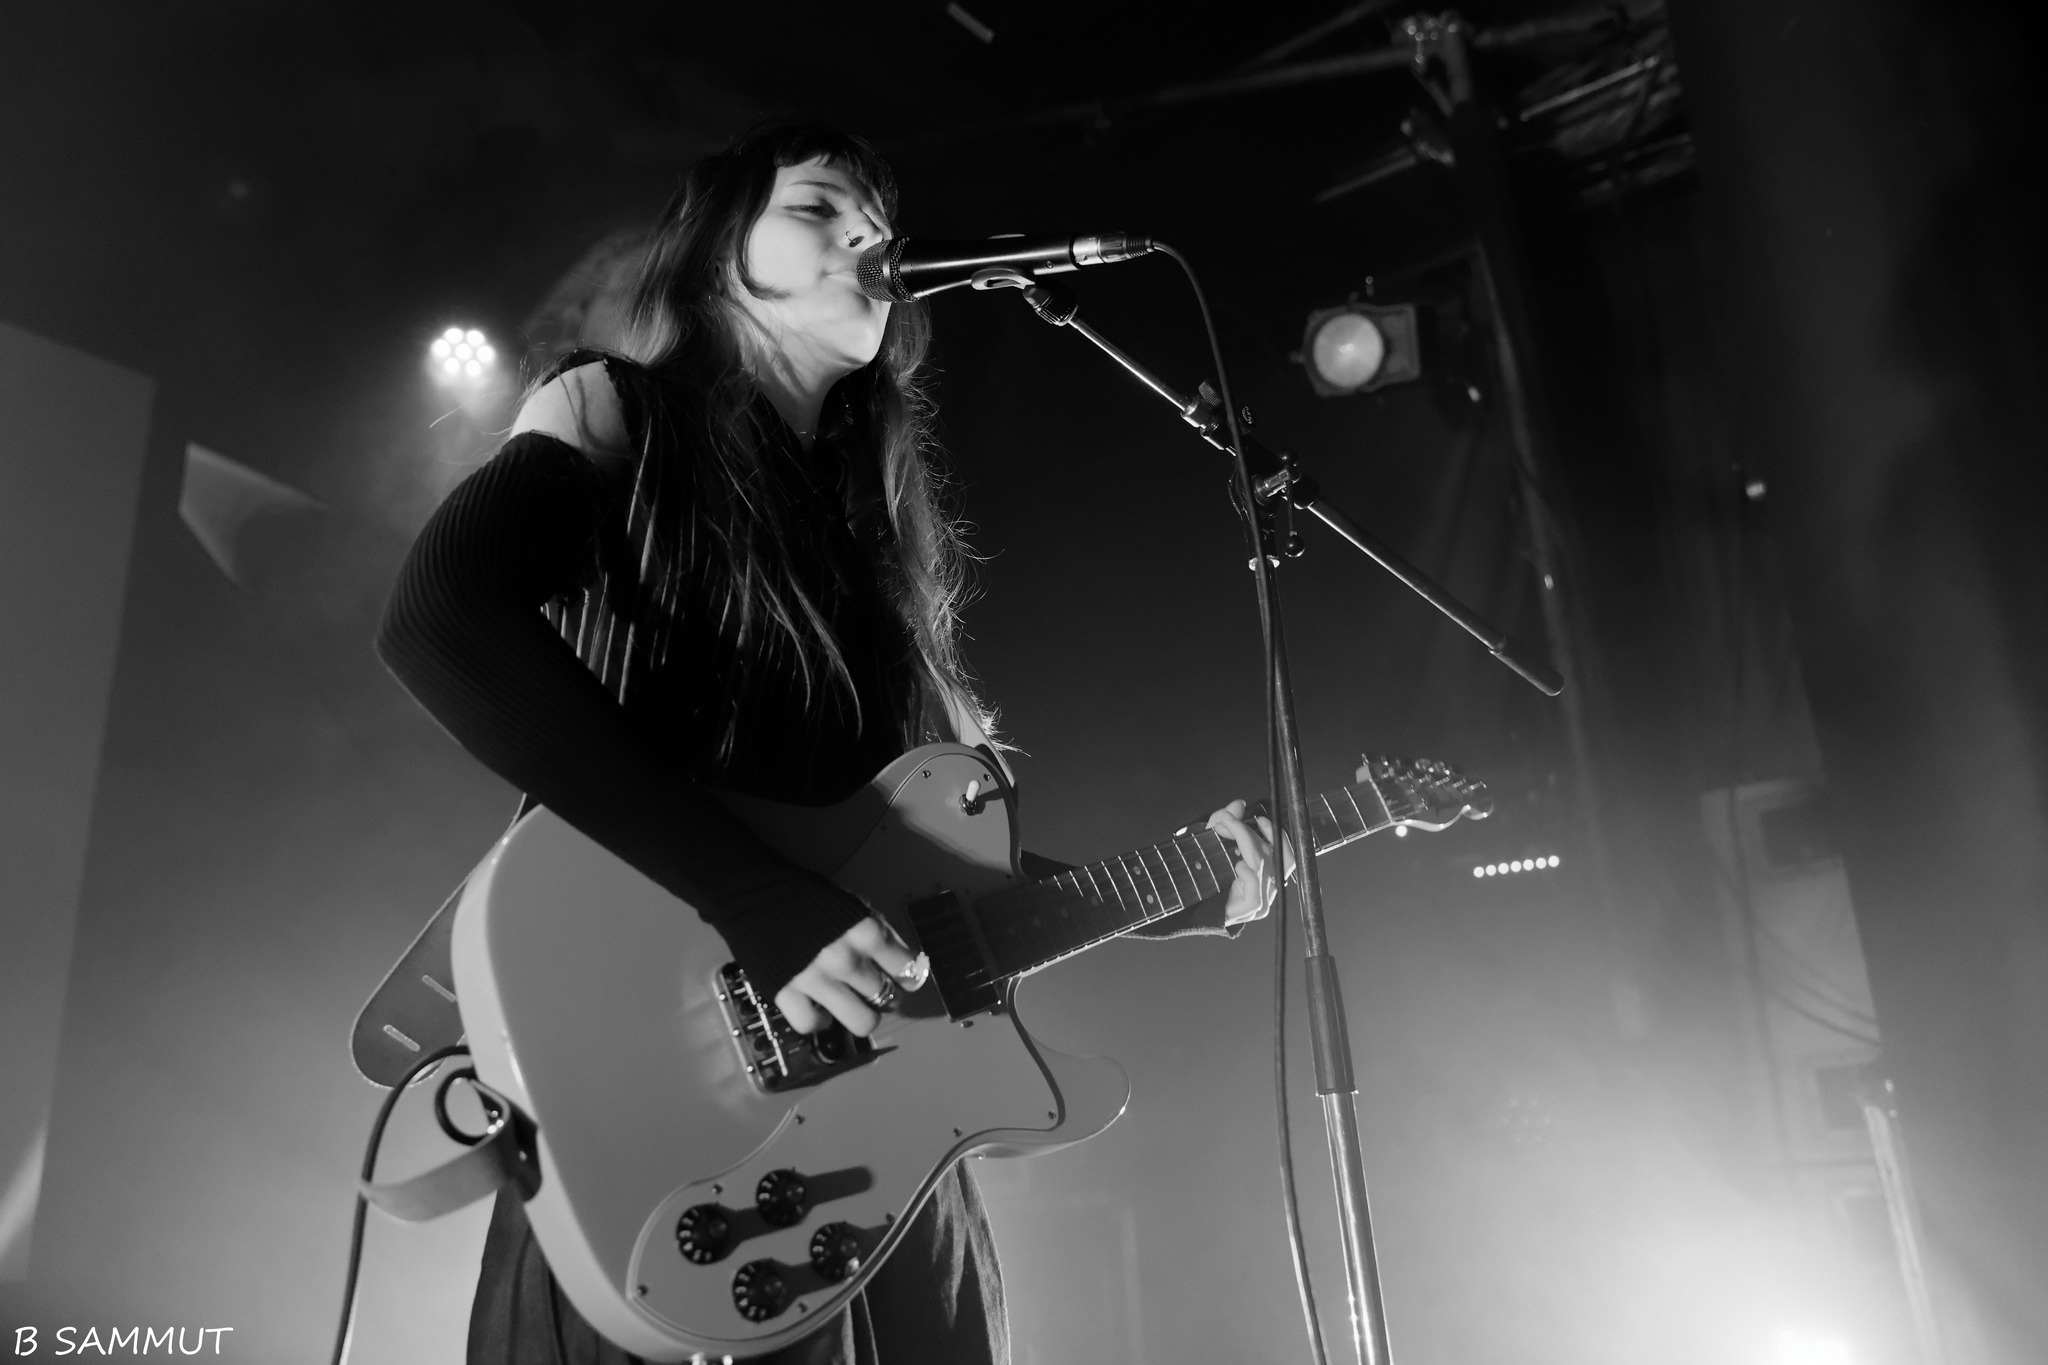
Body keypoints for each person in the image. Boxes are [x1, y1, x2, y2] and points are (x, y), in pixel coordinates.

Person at [377, 121, 1280, 1365]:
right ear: (717, 254)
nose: (867, 235)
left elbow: (893, 879)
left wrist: (1179, 894)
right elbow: (439, 617)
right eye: (818, 209)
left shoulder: (869, 531)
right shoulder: (617, 408)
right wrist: (762, 906)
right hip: (658, 1104)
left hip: (878, 1151)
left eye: (879, 225)